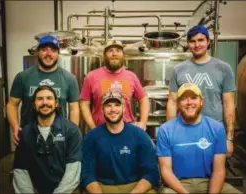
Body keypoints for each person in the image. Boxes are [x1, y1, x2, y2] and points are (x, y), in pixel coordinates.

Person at [157, 83, 241, 193]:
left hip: (209, 182)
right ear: (178, 103)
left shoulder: (217, 128)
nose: (189, 102)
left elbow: (219, 171)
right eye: (183, 99)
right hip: (178, 186)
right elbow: (166, 170)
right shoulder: (165, 130)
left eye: (193, 98)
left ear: (202, 102)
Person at [166, 25, 236, 156]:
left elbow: (229, 104)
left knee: (215, 172)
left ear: (208, 42)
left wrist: (229, 138)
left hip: (214, 131)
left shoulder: (223, 68)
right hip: (184, 131)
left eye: (201, 40)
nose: (197, 44)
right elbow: (172, 102)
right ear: (188, 44)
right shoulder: (178, 69)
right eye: (192, 41)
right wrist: (170, 133)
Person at [7, 35, 80, 145]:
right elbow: (12, 104)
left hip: (58, 138)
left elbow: (74, 109)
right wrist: (15, 127)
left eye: (53, 50)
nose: (48, 53)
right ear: (37, 52)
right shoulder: (23, 77)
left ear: (58, 53)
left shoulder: (69, 79)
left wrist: (72, 133)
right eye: (44, 49)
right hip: (28, 138)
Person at [81, 90, 159, 193]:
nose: (113, 109)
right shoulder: (92, 137)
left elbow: (151, 173)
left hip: (134, 187)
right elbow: (87, 173)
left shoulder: (139, 135)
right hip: (102, 187)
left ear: (124, 108)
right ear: (102, 109)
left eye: (117, 105)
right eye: (108, 105)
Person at [13, 85, 82, 194]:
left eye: (49, 98)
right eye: (40, 99)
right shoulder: (25, 133)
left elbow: (73, 171)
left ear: (56, 103)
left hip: (67, 190)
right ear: (34, 105)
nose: (45, 102)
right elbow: (21, 171)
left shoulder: (72, 131)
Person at [80, 40, 149, 130]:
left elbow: (143, 99)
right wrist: (93, 128)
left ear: (123, 55)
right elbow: (84, 104)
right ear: (104, 55)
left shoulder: (131, 76)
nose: (114, 54)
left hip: (126, 130)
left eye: (118, 50)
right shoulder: (91, 77)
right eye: (110, 51)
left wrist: (143, 122)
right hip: (101, 130)